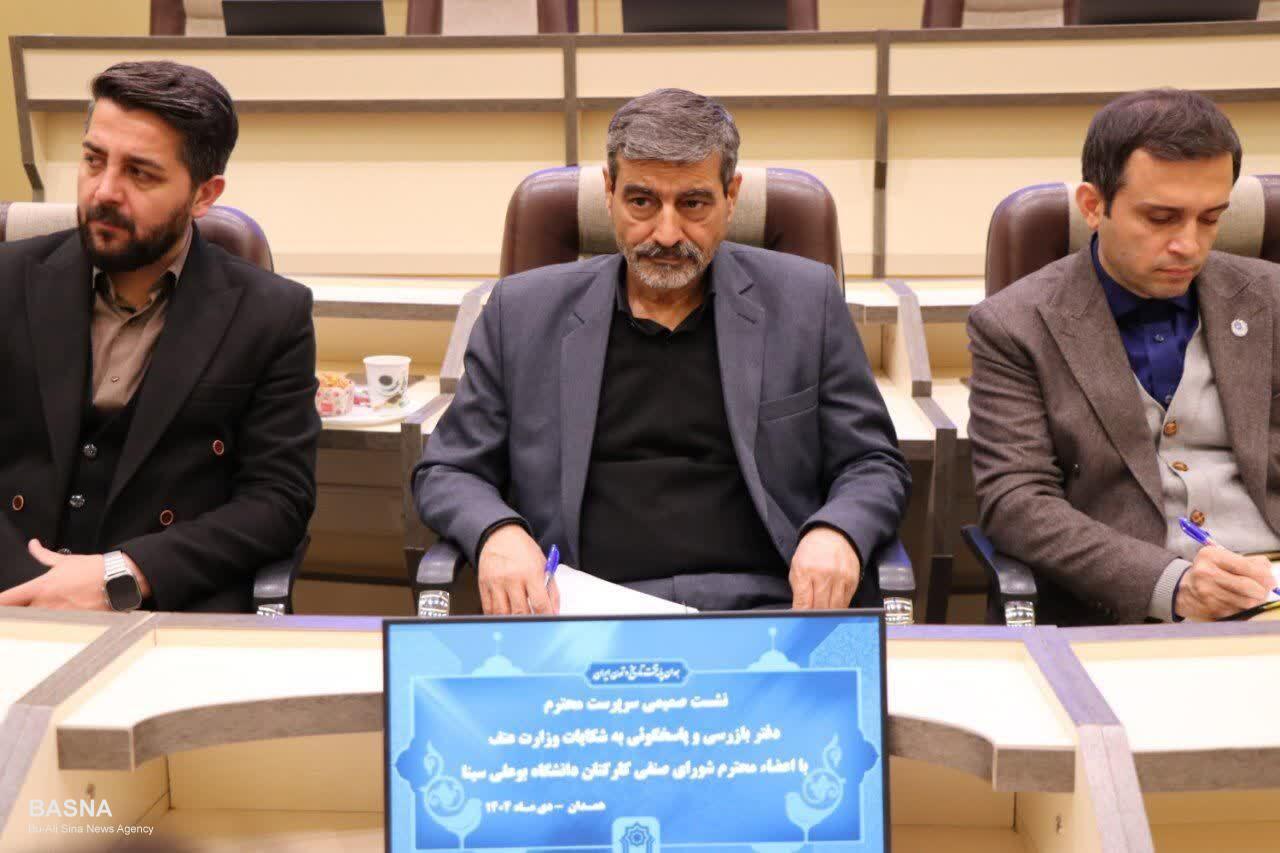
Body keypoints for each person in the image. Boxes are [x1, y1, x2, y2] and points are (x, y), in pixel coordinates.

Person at [415, 88, 909, 614]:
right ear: (610, 193)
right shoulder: (522, 312)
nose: (668, 234)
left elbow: (872, 462)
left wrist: (838, 530)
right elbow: (448, 470)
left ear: (731, 196)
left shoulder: (807, 301)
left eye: (693, 203)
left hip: (767, 610)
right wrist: (497, 531)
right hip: (582, 610)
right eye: (642, 202)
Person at [0, 61, 319, 613]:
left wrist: (125, 574)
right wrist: (29, 588)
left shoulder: (270, 314)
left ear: (203, 195)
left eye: (140, 174)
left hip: (166, 605)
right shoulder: (7, 280)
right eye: (93, 160)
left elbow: (278, 501)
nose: (104, 191)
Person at [969, 88, 1280, 625]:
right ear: (1093, 206)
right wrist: (1171, 585)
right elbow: (1017, 502)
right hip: (1135, 608)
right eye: (1161, 218)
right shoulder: (1014, 324)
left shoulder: (1270, 299)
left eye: (1210, 219)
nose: (1189, 245)